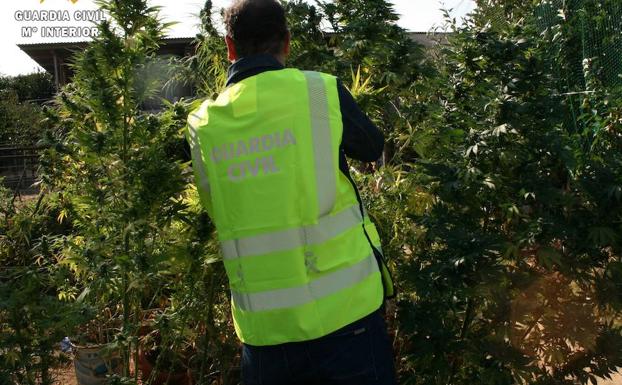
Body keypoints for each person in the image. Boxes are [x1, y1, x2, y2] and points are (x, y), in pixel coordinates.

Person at [186, 0, 397, 384]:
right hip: (348, 315)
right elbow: (370, 145)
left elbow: (215, 206)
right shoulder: (319, 92)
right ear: (286, 42)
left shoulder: (203, 123)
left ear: (229, 47)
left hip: (266, 333)